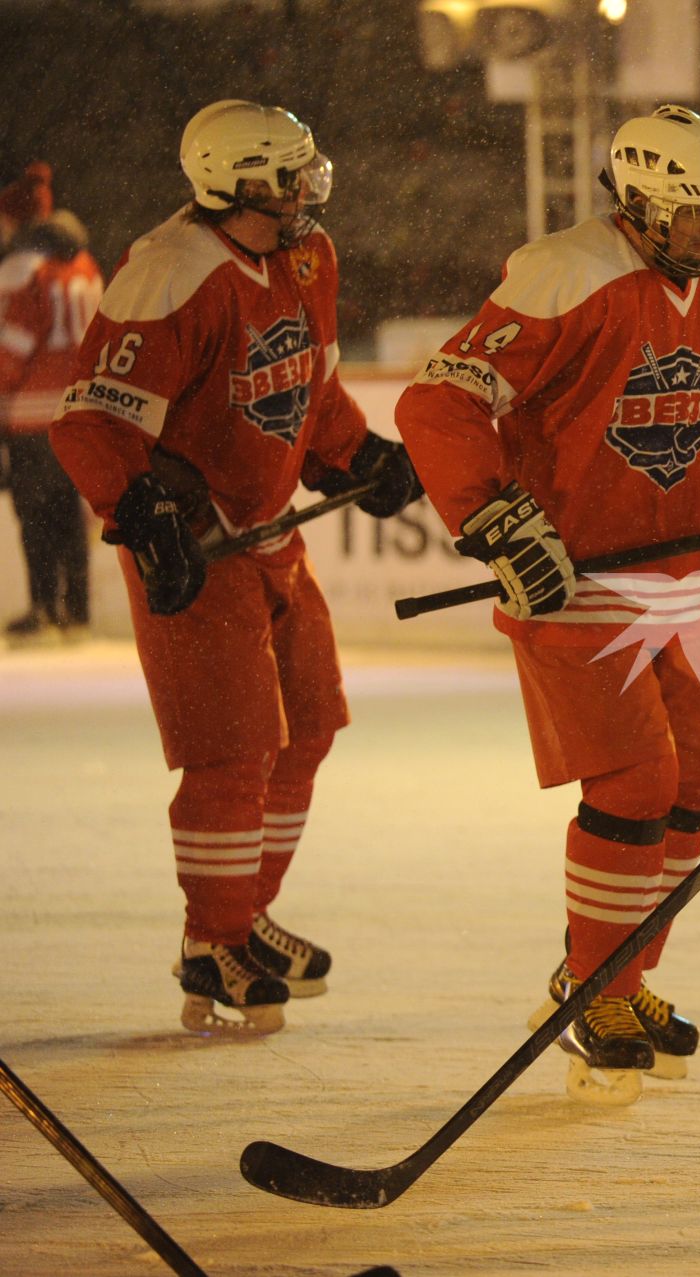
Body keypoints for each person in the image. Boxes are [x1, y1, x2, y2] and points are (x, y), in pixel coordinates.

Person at [394, 105, 700, 1106]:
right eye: (693, 214)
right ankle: (592, 989)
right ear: (642, 207)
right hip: (578, 583)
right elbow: (437, 403)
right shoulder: (565, 273)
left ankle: (619, 977)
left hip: (679, 583)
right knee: (637, 779)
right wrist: (493, 519)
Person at [49, 100, 424, 1035]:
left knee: (308, 727)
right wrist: (139, 514)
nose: (308, 187)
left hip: (265, 534)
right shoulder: (172, 274)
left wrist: (354, 453)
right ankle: (210, 938)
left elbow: (310, 386)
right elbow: (91, 420)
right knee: (231, 749)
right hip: (191, 535)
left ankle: (243, 916)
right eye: (288, 174)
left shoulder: (307, 256)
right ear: (239, 184)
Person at [0, 163, 100, 643]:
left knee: (35, 516)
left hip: (33, 415)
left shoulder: (28, 269)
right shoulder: (84, 264)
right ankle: (77, 612)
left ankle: (42, 608)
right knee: (68, 512)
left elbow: (14, 344)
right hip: (79, 413)